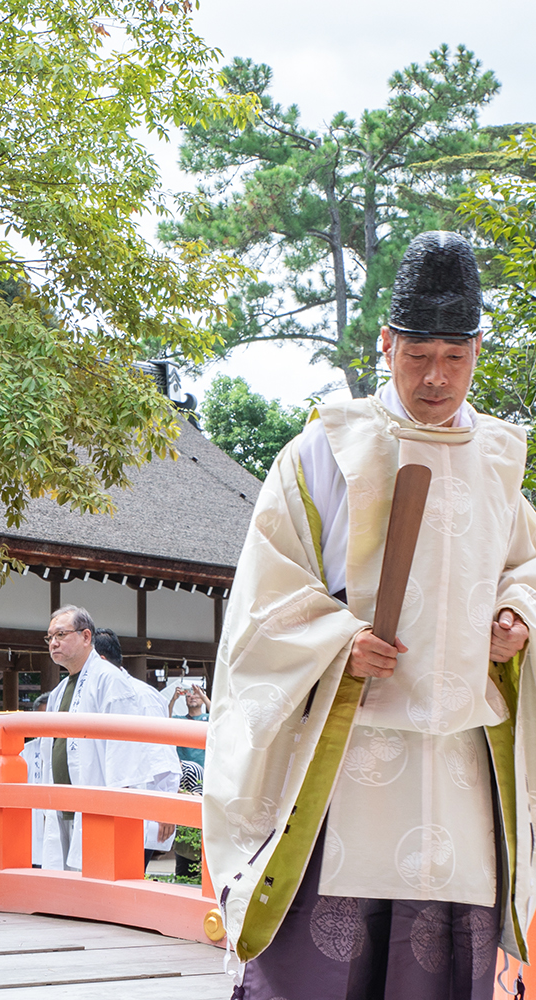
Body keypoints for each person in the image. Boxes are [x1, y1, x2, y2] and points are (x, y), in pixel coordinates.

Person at [206, 231, 536, 999]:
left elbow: (525, 562)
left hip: (456, 759)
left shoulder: (497, 458)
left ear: (478, 351)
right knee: (321, 966)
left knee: (443, 967)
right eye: (418, 355)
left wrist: (516, 612)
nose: (435, 377)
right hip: (347, 748)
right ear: (385, 344)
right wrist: (336, 641)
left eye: (455, 358)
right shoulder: (323, 452)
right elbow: (265, 593)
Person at [33, 605, 179, 871]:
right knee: (67, 883)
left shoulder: (111, 681)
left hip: (99, 799)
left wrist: (158, 803)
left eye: (61, 635)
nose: (53, 643)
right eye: (49, 637)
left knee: (98, 876)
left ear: (86, 636)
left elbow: (126, 752)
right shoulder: (60, 690)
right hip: (65, 801)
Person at [167, 683, 209, 768]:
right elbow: (165, 720)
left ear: (202, 700)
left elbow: (219, 715)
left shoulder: (208, 718)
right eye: (189, 696)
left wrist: (203, 696)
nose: (192, 697)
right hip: (184, 769)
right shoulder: (179, 720)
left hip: (204, 766)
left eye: (196, 696)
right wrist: (173, 699)